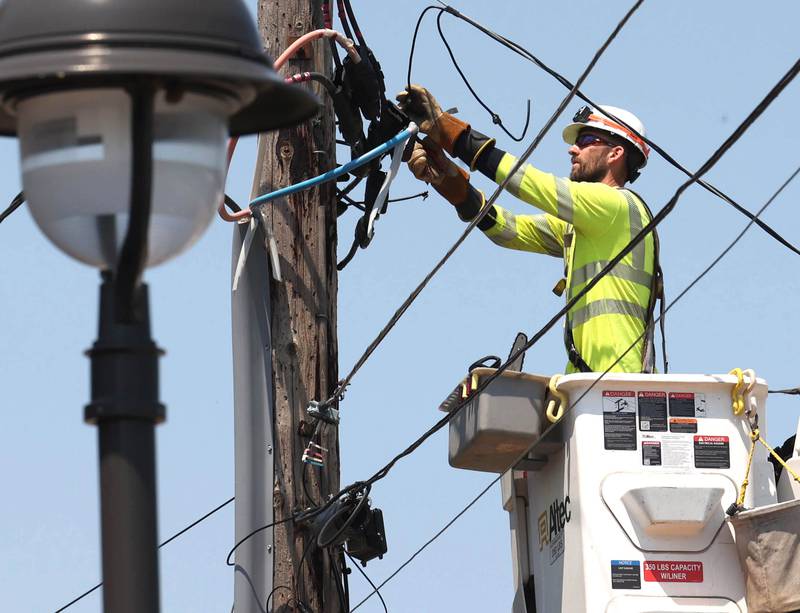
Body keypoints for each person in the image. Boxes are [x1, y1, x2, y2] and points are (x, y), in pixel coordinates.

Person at [397, 85, 663, 373]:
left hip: (612, 381)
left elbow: (529, 183)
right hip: (591, 382)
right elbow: (510, 230)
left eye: (586, 140)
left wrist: (452, 134)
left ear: (616, 154)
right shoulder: (589, 224)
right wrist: (450, 184)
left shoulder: (615, 206)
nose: (573, 149)